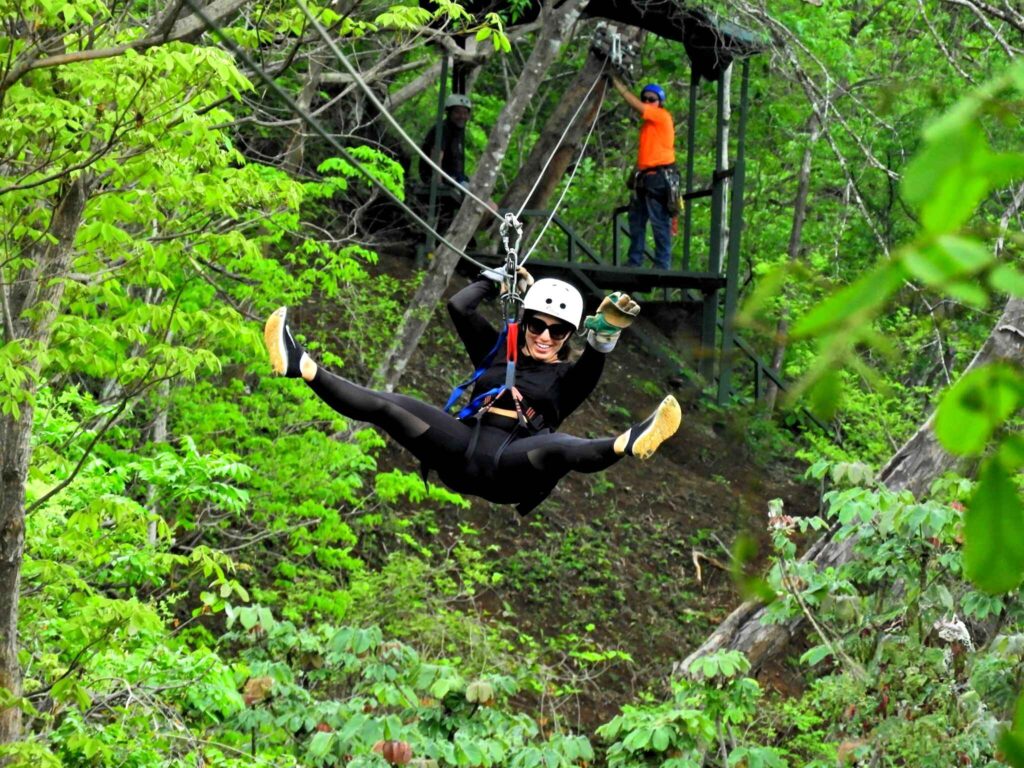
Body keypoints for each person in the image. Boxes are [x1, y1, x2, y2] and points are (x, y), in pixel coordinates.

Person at [264, 272, 682, 515]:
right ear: (526, 320)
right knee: (387, 406)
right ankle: (299, 362)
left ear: (569, 336)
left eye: (558, 331)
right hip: (463, 450)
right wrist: (496, 278)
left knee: (561, 446)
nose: (544, 336)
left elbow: (595, 357)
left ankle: (630, 441)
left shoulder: (566, 380)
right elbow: (459, 307)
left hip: (514, 467)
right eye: (537, 325)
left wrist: (605, 333)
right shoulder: (497, 352)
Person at [609, 74, 678, 270]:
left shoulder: (661, 116)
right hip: (646, 177)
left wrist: (617, 83)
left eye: (652, 99)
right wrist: (634, 175)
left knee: (659, 221)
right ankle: (635, 260)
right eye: (645, 99)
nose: (647, 102)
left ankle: (662, 264)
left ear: (660, 103)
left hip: (658, 177)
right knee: (636, 219)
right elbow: (646, 155)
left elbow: (636, 106)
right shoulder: (649, 126)